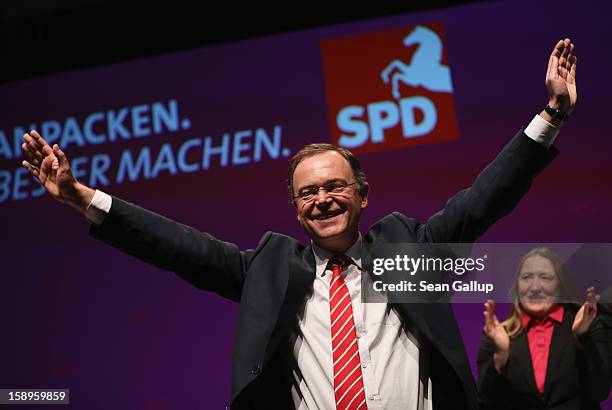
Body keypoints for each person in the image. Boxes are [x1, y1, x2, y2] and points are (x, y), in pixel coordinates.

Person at [21, 39, 576, 410]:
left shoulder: (410, 246)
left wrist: (549, 115)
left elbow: (485, 199)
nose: (323, 200)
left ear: (363, 195)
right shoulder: (267, 267)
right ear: (295, 209)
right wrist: (80, 196)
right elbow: (176, 246)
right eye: (308, 193)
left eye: (335, 187)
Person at [477, 248, 612, 410]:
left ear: (560, 285)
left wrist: (582, 338)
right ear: (517, 286)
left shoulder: (586, 322)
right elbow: (485, 403)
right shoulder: (499, 334)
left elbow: (599, 391)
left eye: (545, 278)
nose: (535, 287)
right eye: (526, 277)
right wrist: (500, 358)